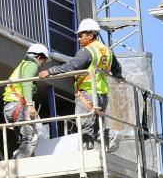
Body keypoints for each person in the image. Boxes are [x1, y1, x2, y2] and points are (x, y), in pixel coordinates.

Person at [39, 18, 122, 150]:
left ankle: (90, 150)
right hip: (102, 97)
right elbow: (117, 69)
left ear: (91, 35)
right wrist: (119, 77)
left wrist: (50, 71)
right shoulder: (107, 51)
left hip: (87, 94)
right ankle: (108, 135)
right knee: (93, 126)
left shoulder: (87, 50)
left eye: (81, 35)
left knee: (84, 126)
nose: (79, 39)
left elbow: (72, 67)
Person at [3, 43, 49, 158]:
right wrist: (29, 105)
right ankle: (18, 164)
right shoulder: (31, 64)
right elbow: (27, 84)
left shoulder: (23, 65)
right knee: (31, 139)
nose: (43, 65)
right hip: (17, 107)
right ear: (39, 57)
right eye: (44, 61)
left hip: (10, 108)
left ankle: (17, 160)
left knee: (25, 140)